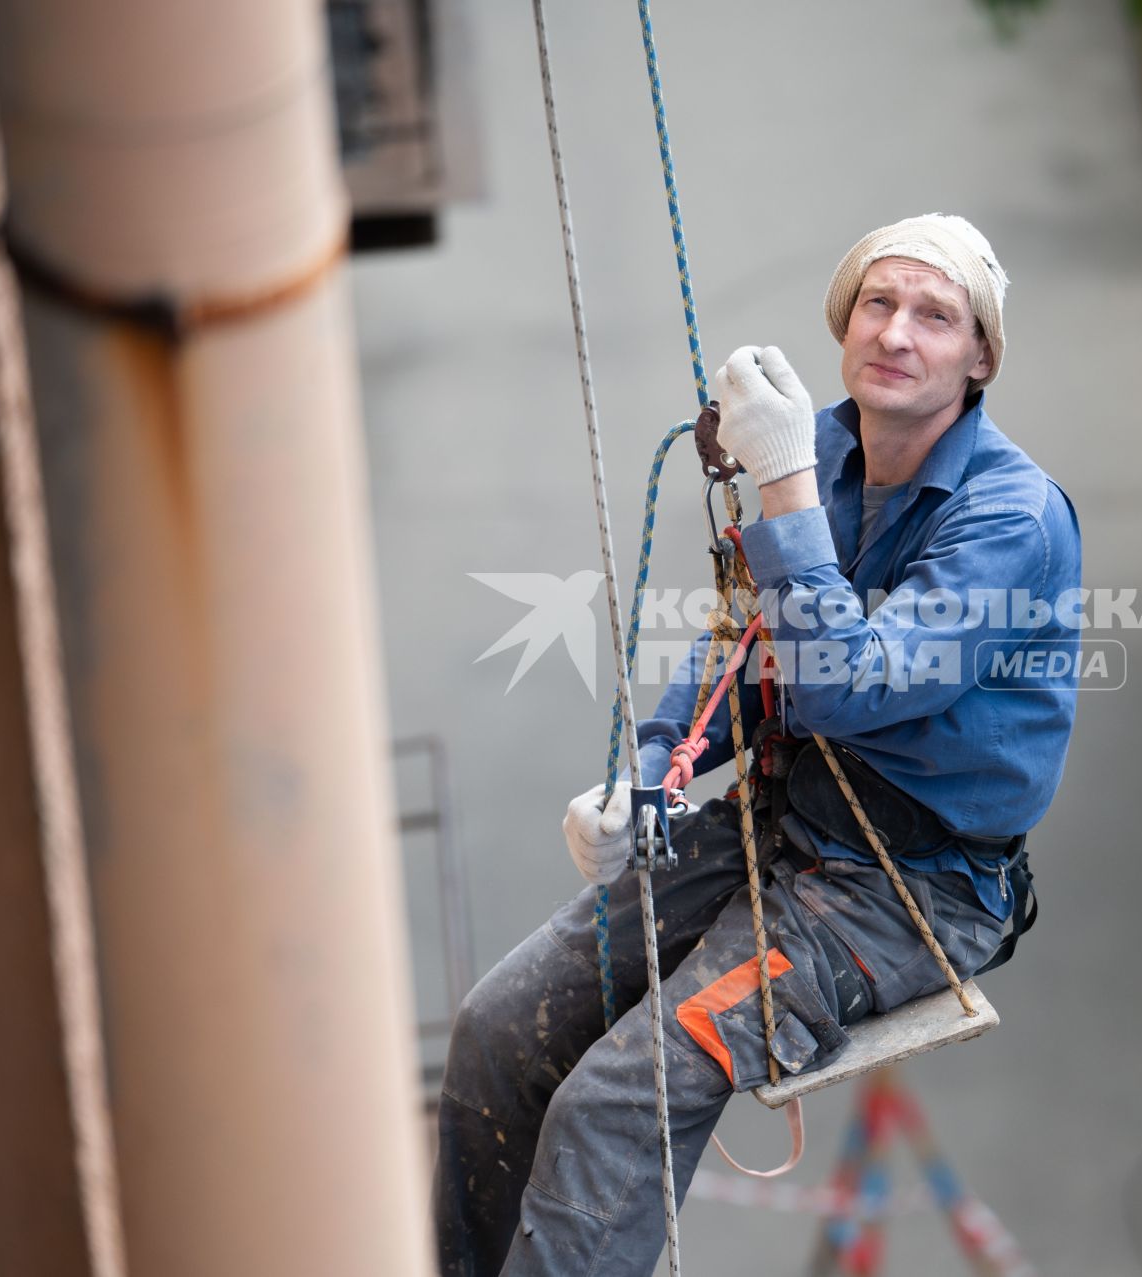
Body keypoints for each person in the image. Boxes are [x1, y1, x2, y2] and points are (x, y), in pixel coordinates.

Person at [434, 213, 1082, 1277]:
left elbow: (844, 687)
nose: (898, 333)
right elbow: (746, 640)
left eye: (935, 315)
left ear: (980, 358)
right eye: (879, 303)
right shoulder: (824, 452)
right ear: (844, 324)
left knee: (615, 1103)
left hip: (910, 888)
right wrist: (649, 772)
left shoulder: (1010, 518)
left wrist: (781, 483)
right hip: (783, 822)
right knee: (499, 1027)